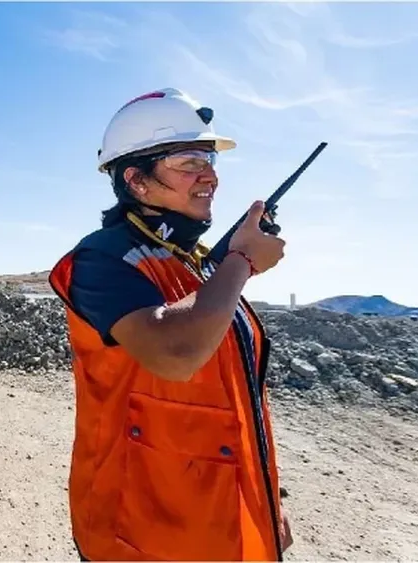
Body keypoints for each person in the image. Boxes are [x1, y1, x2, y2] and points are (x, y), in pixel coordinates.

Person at [48, 88, 294, 561]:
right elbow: (175, 353)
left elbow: (235, 394)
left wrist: (266, 500)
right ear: (137, 181)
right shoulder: (102, 260)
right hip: (140, 529)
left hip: (211, 521)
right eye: (189, 163)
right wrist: (241, 260)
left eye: (210, 161)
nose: (210, 177)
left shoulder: (194, 265)